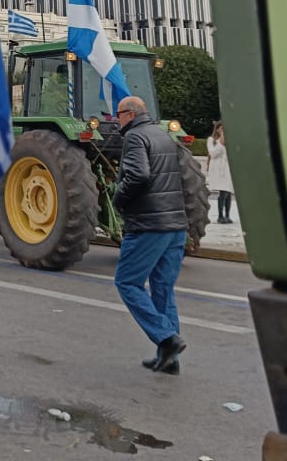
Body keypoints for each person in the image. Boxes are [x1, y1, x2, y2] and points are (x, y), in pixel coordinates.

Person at [112, 95, 188, 375]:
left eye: (118, 114)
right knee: (163, 290)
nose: (116, 119)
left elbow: (138, 176)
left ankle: (167, 338)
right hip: (175, 225)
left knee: (127, 282)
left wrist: (118, 199)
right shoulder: (163, 136)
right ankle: (170, 360)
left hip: (149, 225)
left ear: (129, 114)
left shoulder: (134, 138)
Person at [207, 120, 234, 224]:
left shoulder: (229, 140)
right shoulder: (211, 140)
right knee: (223, 192)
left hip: (227, 169)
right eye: (222, 129)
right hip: (218, 170)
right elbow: (213, 154)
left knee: (228, 192)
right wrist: (221, 144)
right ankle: (220, 216)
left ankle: (227, 215)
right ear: (218, 129)